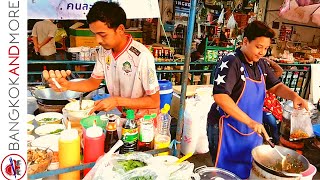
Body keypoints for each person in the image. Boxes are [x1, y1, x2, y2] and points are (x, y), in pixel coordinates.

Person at [207, 20, 308, 179]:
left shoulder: (261, 64)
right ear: (245, 41)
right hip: (227, 128)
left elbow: (275, 86)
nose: (262, 52)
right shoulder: (231, 61)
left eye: (266, 48)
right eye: (258, 47)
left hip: (252, 130)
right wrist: (250, 122)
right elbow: (221, 96)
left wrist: (294, 96)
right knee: (225, 173)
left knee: (248, 168)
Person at [42, 1, 160, 118]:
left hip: (146, 121)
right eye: (95, 34)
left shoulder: (141, 56)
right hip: (127, 116)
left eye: (102, 35)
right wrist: (67, 85)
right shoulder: (104, 51)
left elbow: (154, 101)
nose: (98, 40)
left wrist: (116, 101)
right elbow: (93, 83)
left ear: (120, 29)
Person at [262, 58, 284, 145]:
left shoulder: (269, 78)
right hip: (261, 107)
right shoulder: (253, 77)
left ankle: (276, 141)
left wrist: (267, 60)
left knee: (274, 124)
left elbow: (279, 70)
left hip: (272, 106)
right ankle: (275, 140)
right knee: (272, 123)